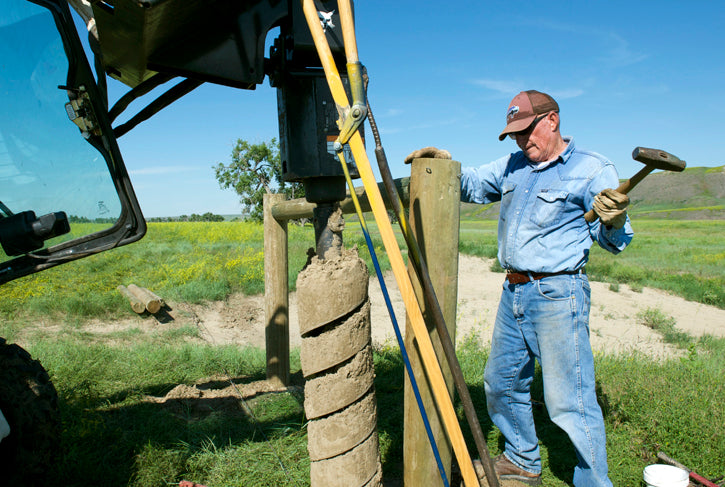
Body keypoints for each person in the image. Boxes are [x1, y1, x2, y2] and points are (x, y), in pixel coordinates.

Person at [405, 90, 633, 486]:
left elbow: (615, 242)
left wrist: (613, 220)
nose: (521, 141)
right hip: (514, 292)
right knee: (502, 382)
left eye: (526, 131)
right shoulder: (515, 165)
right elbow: (473, 184)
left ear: (552, 121)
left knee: (569, 402)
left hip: (558, 294)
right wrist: (443, 164)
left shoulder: (592, 169)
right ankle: (522, 460)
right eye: (513, 134)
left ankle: (594, 482)